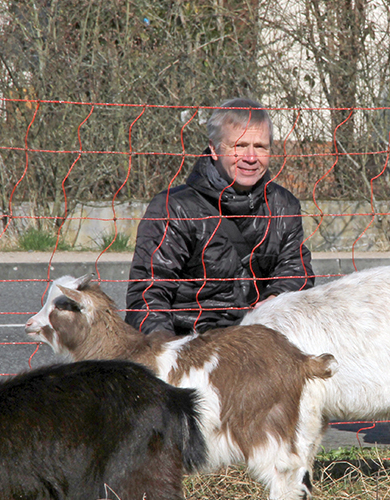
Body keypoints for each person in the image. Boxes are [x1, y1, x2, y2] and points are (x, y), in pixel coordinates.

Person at [125, 98, 314, 335]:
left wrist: (275, 301)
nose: (251, 157)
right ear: (214, 149)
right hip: (191, 343)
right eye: (239, 146)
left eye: (261, 147)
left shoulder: (283, 205)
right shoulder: (174, 208)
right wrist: (166, 352)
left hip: (259, 338)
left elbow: (295, 271)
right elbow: (148, 294)